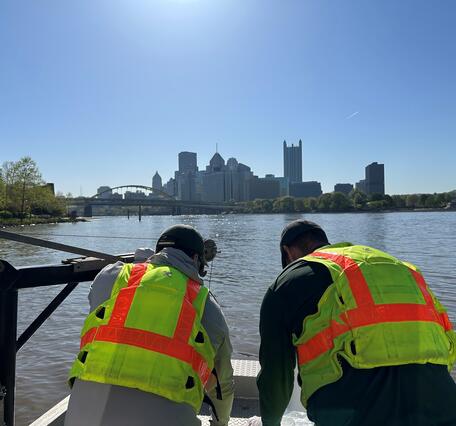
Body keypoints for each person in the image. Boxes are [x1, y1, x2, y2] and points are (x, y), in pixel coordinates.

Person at [253, 219, 456, 426]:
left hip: (353, 414)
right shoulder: (398, 266)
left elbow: (275, 378)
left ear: (287, 253)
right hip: (443, 404)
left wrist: (271, 423)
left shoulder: (286, 282)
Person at [65, 224, 234, 426]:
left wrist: (141, 264)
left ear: (158, 251)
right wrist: (220, 423)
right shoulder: (209, 308)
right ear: (197, 260)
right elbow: (222, 386)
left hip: (81, 419)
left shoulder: (110, 276)